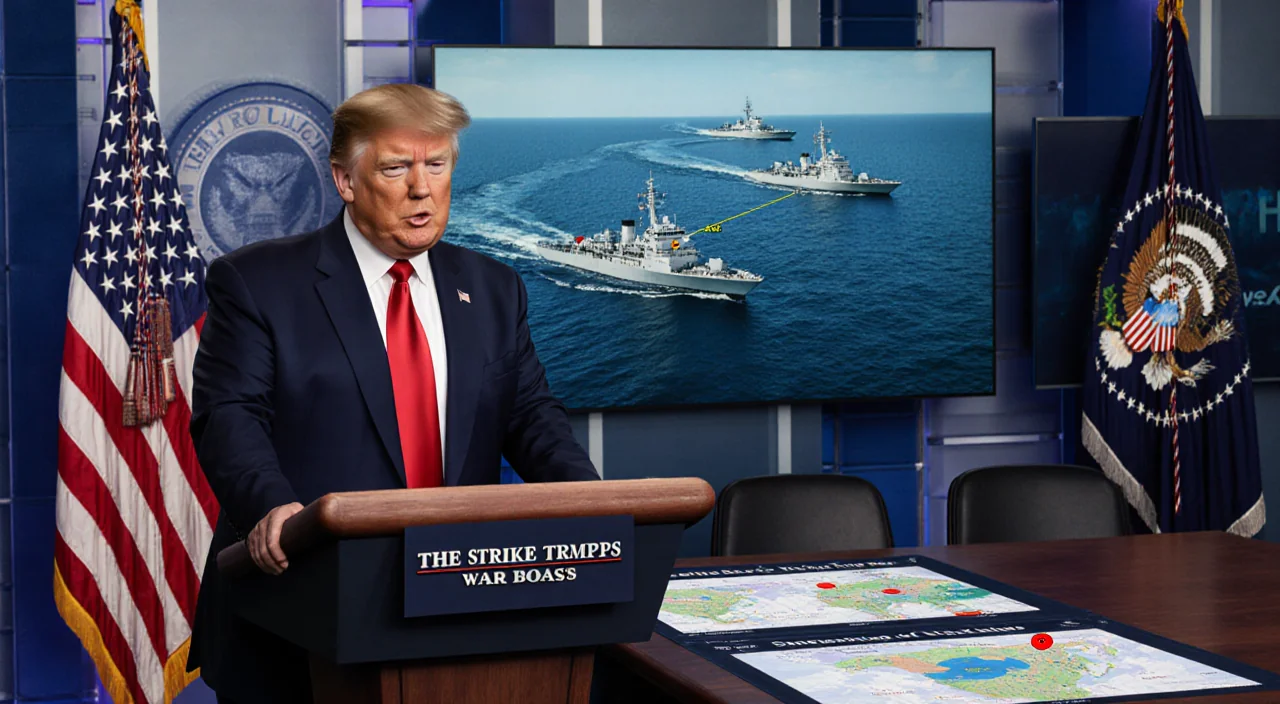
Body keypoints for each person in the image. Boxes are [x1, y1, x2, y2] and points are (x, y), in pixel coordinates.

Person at [186, 84, 600, 704]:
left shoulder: (493, 287)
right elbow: (229, 416)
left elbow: (529, 415)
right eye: (396, 167)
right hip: (299, 616)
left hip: (456, 608)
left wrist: (600, 506)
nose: (422, 188)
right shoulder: (256, 282)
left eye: (437, 165)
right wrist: (272, 508)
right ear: (345, 180)